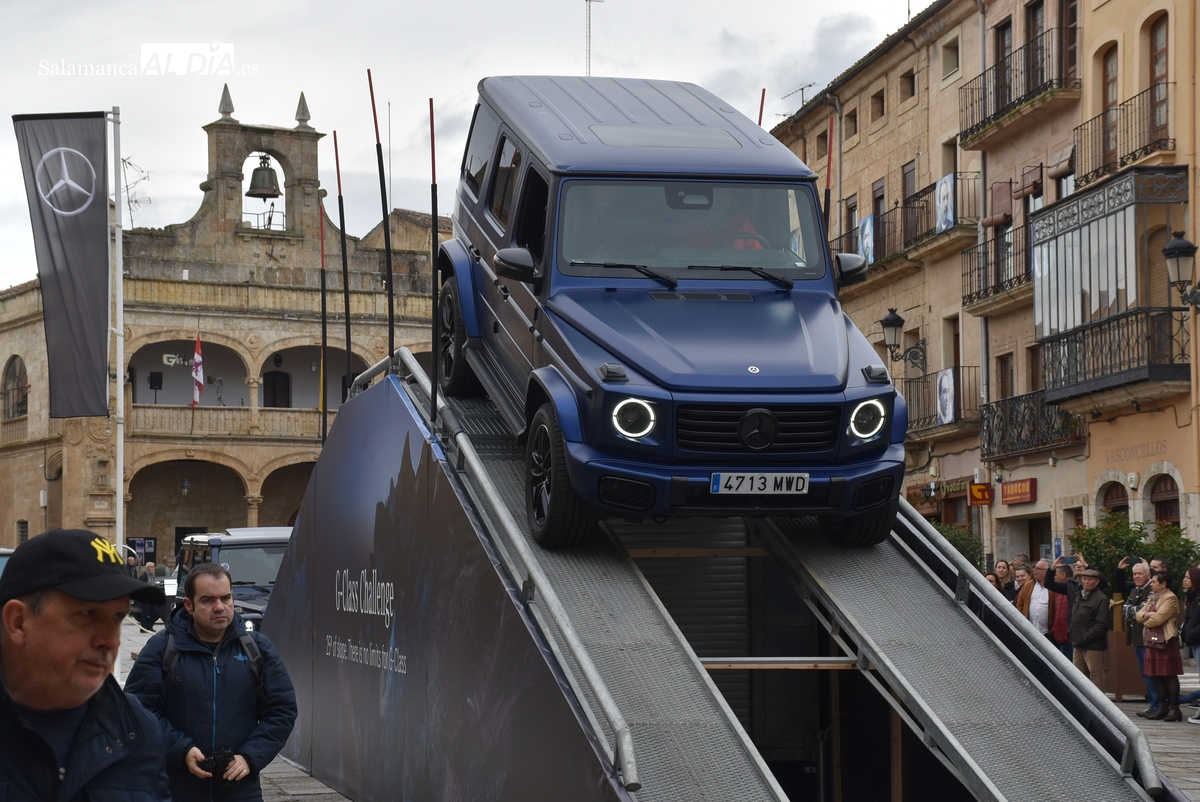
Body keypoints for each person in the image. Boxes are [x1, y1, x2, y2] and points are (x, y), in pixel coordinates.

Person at [0, 529, 170, 799]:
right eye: (88, 614)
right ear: (18, 622)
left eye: (118, 617)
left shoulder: (138, 730)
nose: (111, 641)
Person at [126, 562, 297, 802]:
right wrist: (181, 750)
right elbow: (136, 712)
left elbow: (283, 711)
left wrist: (249, 757)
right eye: (207, 600)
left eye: (226, 598)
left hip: (239, 791)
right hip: (175, 789)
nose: (219, 607)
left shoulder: (257, 649)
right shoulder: (162, 649)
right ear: (189, 605)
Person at [1135, 571, 1183, 721]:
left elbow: (1159, 618)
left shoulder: (1170, 598)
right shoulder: (1154, 597)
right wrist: (1146, 615)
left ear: (1164, 584)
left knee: (1169, 674)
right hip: (1153, 639)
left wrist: (1146, 620)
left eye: (1155, 582)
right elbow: (1138, 615)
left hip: (1166, 640)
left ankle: (1174, 708)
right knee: (1156, 674)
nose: (1152, 584)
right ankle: (1162, 707)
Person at [1115, 557, 1159, 716]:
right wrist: (1135, 610)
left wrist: (1134, 610)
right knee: (1145, 673)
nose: (1137, 577)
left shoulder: (1152, 590)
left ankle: (1157, 705)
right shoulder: (1135, 590)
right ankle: (1153, 705)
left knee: (1152, 673)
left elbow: (1144, 612)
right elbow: (1125, 611)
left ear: (1148, 575)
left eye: (1140, 574)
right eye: (1134, 574)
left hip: (1149, 638)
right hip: (1136, 637)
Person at [1066, 568, 1111, 690]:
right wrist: (1072, 634)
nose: (1086, 582)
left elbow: (1102, 625)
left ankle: (1098, 701)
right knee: (1077, 676)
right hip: (1078, 643)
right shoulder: (1079, 595)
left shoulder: (1101, 598)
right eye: (1084, 579)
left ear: (1097, 582)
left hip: (1093, 645)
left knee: (1096, 676)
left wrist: (1085, 637)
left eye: (1090, 579)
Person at [1177, 567, 1200, 719]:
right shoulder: (1191, 598)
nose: (1184, 580)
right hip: (1194, 641)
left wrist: (1192, 633)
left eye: (1188, 577)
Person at [1016, 560, 1056, 639]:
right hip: (1030, 631)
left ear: (1047, 571)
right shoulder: (1028, 585)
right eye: (1035, 568)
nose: (1035, 570)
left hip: (1048, 633)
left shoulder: (1053, 586)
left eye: (1038, 569)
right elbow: (1020, 605)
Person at [1049, 563, 1074, 659]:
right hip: (1060, 636)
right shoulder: (1057, 592)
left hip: (1071, 637)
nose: (1054, 577)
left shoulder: (1074, 588)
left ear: (1063, 575)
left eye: (1056, 575)